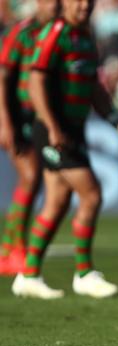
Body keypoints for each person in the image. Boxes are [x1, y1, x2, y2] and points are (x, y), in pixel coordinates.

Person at [10, 0, 118, 299]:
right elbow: (35, 81)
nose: (84, 5)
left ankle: (29, 275)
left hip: (73, 131)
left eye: (89, 1)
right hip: (55, 132)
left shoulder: (85, 35)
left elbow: (94, 87)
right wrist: (51, 126)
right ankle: (84, 272)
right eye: (77, 0)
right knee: (91, 194)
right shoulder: (56, 32)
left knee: (56, 203)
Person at [0, 0, 59, 276]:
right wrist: (5, 122)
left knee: (32, 182)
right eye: (51, 1)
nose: (55, 6)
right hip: (17, 116)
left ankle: (10, 248)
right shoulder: (23, 33)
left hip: (40, 119)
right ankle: (13, 249)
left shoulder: (59, 32)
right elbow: (3, 79)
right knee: (30, 176)